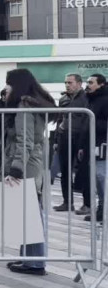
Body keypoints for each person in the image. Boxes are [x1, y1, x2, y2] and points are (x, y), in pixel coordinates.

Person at [2, 68, 55, 275]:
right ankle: (28, 258)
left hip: (27, 165)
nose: (6, 86)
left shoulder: (25, 105)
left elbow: (25, 141)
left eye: (8, 83)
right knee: (27, 214)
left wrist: (16, 169)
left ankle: (35, 262)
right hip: (32, 163)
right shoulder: (31, 101)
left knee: (31, 214)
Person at [53, 74, 87, 213]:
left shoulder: (85, 98)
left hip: (79, 137)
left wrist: (84, 142)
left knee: (82, 171)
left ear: (79, 83)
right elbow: (59, 119)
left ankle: (87, 204)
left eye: (70, 82)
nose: (67, 85)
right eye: (66, 82)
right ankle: (67, 202)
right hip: (64, 136)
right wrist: (56, 139)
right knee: (65, 170)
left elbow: (86, 119)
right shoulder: (63, 99)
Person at [78, 73, 108, 222]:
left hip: (102, 145)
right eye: (87, 82)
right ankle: (101, 208)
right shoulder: (90, 100)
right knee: (96, 178)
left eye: (91, 82)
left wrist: (93, 122)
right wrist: (82, 146)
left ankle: (103, 209)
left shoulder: (105, 100)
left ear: (101, 84)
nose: (88, 85)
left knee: (101, 177)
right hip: (91, 145)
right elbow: (85, 126)